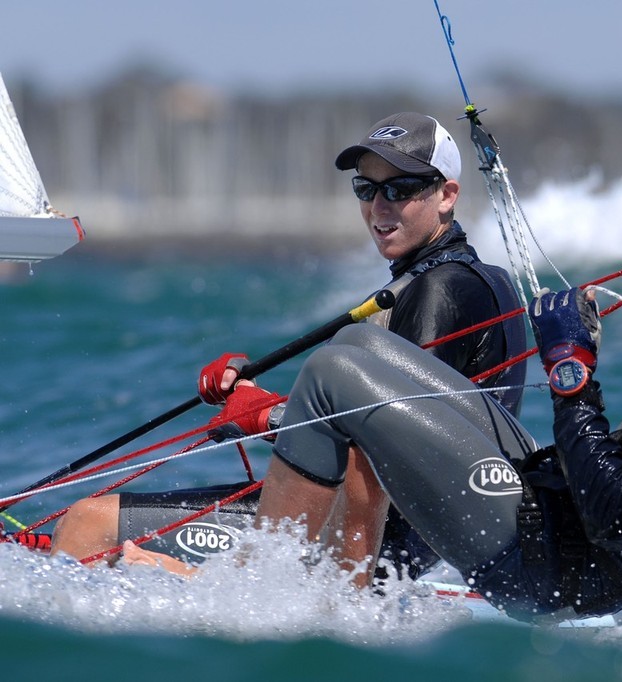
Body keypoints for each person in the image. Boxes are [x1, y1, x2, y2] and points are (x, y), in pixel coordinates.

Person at [239, 190, 622, 621]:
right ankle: (338, 584)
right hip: (557, 525)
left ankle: (283, 606)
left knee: (333, 371)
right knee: (363, 344)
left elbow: (619, 519)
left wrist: (570, 371)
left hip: (544, 563)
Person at [49, 112, 528, 584]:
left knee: (86, 525)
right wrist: (255, 399)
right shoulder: (476, 280)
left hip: (367, 548)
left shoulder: (438, 291)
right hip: (412, 542)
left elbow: (387, 448)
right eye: (367, 189)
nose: (379, 206)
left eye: (399, 189)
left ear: (446, 195)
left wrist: (265, 416)